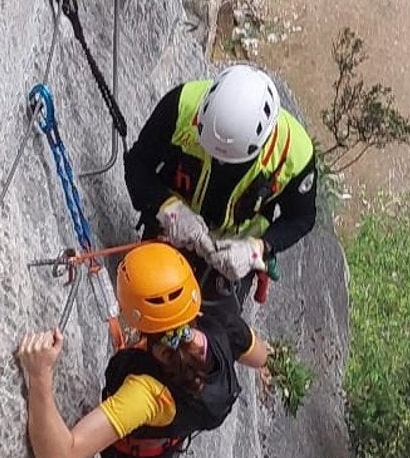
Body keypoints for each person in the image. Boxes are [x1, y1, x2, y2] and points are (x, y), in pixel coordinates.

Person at [14, 241, 268, 458]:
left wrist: (39, 375)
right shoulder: (221, 321)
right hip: (182, 423)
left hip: (151, 436)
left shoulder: (145, 393)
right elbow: (259, 356)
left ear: (133, 317)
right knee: (157, 452)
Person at [121, 63, 317, 295]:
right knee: (147, 298)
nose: (219, 163)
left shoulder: (294, 153)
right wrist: (169, 209)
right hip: (173, 229)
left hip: (235, 256)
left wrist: (257, 249)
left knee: (218, 329)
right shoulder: (182, 106)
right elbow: (137, 165)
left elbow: (301, 218)